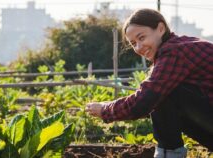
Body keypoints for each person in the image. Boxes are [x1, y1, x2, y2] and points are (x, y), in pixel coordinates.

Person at [86, 8, 213, 158]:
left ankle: (168, 154)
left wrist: (105, 109)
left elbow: (143, 102)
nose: (139, 47)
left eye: (142, 38)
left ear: (160, 29)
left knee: (163, 95)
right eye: (133, 43)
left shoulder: (174, 52)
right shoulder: (180, 46)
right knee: (161, 95)